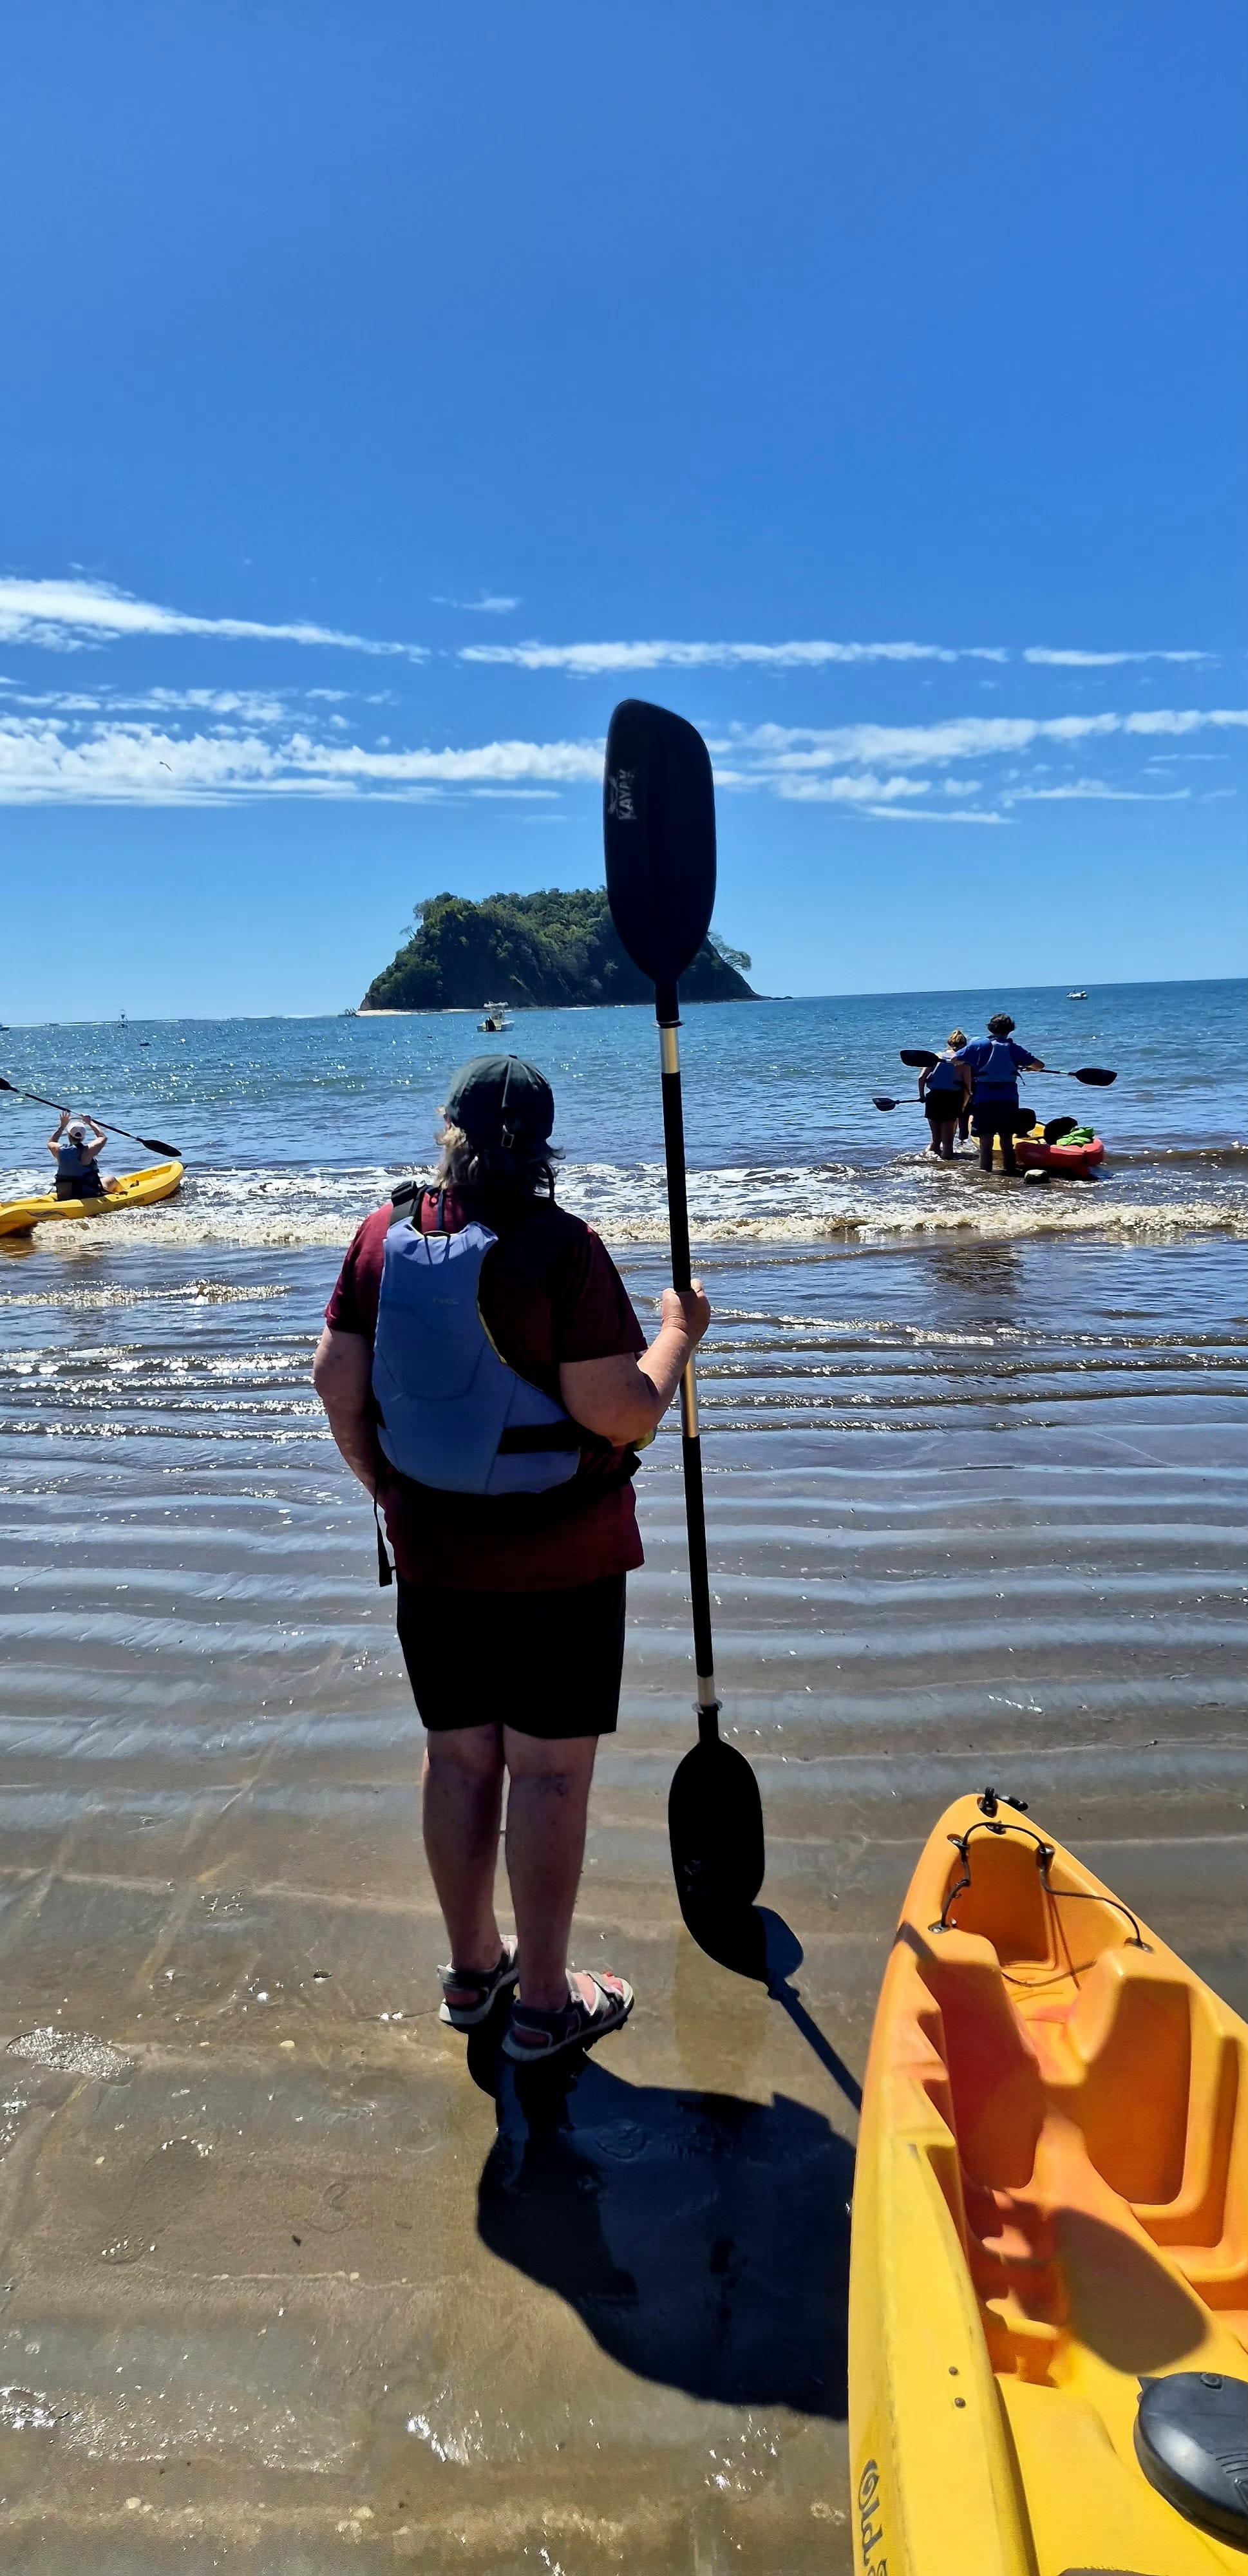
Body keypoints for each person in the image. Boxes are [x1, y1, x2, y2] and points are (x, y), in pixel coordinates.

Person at [312, 1054, 711, 2065]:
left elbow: (335, 1379)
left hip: (432, 1554)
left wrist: (386, 1492)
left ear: (445, 1129)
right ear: (543, 1145)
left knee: (455, 1759)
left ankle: (471, 1970)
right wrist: (678, 1335)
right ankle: (542, 2005)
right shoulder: (561, 1248)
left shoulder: (380, 1234)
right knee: (548, 1776)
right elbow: (618, 1412)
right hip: (560, 1563)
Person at [956, 1014, 1045, 1175]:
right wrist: (1028, 1068)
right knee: (1006, 1139)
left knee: (985, 1141)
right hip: (1008, 1100)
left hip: (983, 1100)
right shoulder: (1014, 1048)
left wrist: (972, 1062)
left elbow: (955, 1060)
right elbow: (1039, 1065)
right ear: (1010, 1030)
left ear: (990, 1028)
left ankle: (985, 1176)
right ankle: (1010, 1172)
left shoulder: (977, 1045)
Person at [917, 1031, 972, 1160]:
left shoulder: (936, 1057)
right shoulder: (963, 1062)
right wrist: (963, 1106)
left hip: (933, 1098)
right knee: (948, 1143)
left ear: (949, 1043)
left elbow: (921, 1078)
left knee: (935, 1140)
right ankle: (946, 1167)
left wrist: (922, 1096)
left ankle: (929, 1163)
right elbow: (968, 1089)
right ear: (965, 1045)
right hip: (952, 1100)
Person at [48, 1111, 116, 1199]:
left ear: (68, 1134)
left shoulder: (58, 1151)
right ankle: (121, 1196)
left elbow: (51, 1142)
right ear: (83, 1137)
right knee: (111, 1179)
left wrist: (62, 1126)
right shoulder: (88, 1152)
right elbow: (102, 1137)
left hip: (65, 1194)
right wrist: (90, 1123)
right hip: (87, 1194)